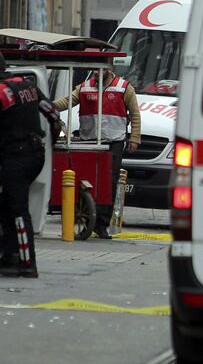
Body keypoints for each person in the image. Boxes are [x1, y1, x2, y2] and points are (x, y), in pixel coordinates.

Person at [54, 67, 141, 239]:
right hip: (90, 141)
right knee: (86, 181)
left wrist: (135, 138)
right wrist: (48, 105)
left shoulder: (124, 87)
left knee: (110, 182)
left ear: (109, 69)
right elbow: (67, 102)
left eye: (100, 69)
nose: (96, 73)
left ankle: (101, 225)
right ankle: (86, 217)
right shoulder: (84, 87)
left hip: (113, 142)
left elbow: (135, 113)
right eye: (94, 70)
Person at [0, 55, 62, 278]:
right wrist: (52, 142)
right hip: (36, 155)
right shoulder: (28, 86)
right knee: (6, 204)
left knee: (17, 210)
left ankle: (27, 264)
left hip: (15, 157)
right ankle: (9, 256)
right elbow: (54, 115)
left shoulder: (2, 93)